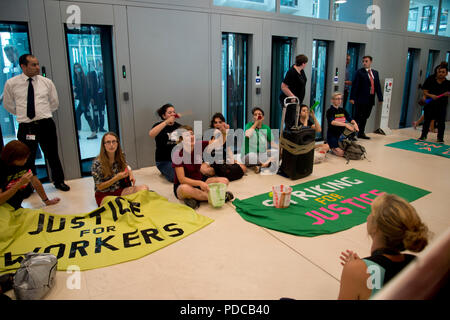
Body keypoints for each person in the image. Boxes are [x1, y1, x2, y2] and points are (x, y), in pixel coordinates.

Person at [338, 193, 429, 300]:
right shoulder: (416, 262)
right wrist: (363, 265)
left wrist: (357, 269)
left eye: (371, 212)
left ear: (376, 227)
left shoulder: (356, 270)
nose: (368, 217)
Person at [2, 54, 70, 191]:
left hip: (45, 124)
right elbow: (8, 104)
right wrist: (24, 115)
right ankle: (28, 187)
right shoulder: (11, 83)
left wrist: (41, 114)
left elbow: (54, 103)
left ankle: (59, 181)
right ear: (23, 66)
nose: (37, 67)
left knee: (52, 155)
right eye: (33, 65)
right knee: (27, 158)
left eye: (37, 64)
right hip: (26, 126)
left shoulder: (46, 82)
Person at [172, 125, 233, 210]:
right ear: (181, 140)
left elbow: (219, 142)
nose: (191, 137)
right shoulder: (177, 154)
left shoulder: (198, 145)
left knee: (224, 181)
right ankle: (217, 197)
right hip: (185, 185)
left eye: (192, 134)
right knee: (184, 189)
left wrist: (224, 132)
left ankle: (196, 198)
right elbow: (182, 179)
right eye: (187, 135)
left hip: (200, 179)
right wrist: (200, 183)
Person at [91, 132, 149, 207]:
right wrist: (116, 178)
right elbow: (99, 186)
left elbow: (126, 166)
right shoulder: (97, 164)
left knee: (144, 188)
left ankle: (126, 203)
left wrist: (131, 174)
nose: (111, 145)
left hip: (119, 190)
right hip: (104, 194)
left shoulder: (121, 155)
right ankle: (127, 203)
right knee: (117, 204)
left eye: (114, 141)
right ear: (104, 145)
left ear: (117, 143)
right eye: (108, 142)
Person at [0, 140, 60, 209]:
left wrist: (47, 201)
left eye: (26, 158)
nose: (25, 160)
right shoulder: (2, 168)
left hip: (15, 205)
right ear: (13, 158)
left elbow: (35, 181)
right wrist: (19, 184)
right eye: (23, 159)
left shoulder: (26, 162)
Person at [204, 113, 246, 180]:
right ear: (213, 124)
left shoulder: (225, 134)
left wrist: (232, 162)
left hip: (223, 159)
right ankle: (222, 172)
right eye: (215, 122)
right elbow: (209, 150)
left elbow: (229, 151)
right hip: (212, 160)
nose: (218, 124)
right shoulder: (210, 134)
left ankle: (223, 172)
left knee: (243, 167)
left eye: (220, 122)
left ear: (223, 123)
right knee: (206, 170)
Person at [349, 55, 383, 139]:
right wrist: (352, 97)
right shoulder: (359, 72)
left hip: (370, 99)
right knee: (357, 116)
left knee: (365, 116)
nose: (364, 63)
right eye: (363, 61)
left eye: (366, 61)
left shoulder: (375, 73)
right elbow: (355, 85)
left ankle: (361, 133)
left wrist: (380, 97)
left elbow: (377, 85)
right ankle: (352, 134)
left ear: (370, 62)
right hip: (360, 99)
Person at [149, 103, 182, 182]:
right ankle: (164, 170)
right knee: (175, 177)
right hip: (164, 161)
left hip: (177, 159)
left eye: (174, 112)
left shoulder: (179, 126)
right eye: (169, 113)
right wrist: (166, 122)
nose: (173, 114)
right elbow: (151, 134)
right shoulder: (158, 125)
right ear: (164, 116)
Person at [419, 63, 450, 144]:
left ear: (446, 73)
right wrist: (431, 95)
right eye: (439, 72)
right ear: (437, 72)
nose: (441, 73)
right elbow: (425, 91)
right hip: (430, 104)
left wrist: (448, 94)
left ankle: (440, 138)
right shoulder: (430, 80)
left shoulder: (448, 83)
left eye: (443, 72)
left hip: (442, 106)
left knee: (441, 123)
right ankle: (423, 136)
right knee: (427, 121)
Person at [242, 107, 278, 174]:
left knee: (276, 152)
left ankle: (260, 166)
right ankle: (265, 164)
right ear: (253, 117)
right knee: (252, 156)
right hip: (249, 155)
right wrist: (256, 123)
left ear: (263, 117)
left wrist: (280, 148)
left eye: (259, 114)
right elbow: (247, 135)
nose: (258, 116)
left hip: (261, 154)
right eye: (255, 114)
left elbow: (272, 143)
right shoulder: (249, 125)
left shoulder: (266, 128)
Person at [326, 92, 359, 157]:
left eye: (340, 99)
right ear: (332, 100)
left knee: (351, 150)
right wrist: (346, 125)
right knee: (341, 153)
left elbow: (350, 119)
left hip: (342, 136)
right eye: (337, 99)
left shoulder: (343, 110)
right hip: (333, 136)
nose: (339, 100)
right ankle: (330, 145)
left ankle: (335, 146)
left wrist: (355, 124)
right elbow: (332, 122)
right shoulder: (330, 111)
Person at [279, 54, 308, 129]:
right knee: (290, 121)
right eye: (306, 63)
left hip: (297, 101)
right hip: (290, 101)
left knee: (295, 120)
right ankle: (286, 138)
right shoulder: (291, 72)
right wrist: (292, 96)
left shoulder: (301, 71)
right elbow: (283, 86)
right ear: (303, 63)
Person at [73, 62, 96, 139]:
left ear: (80, 68)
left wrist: (76, 93)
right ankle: (81, 132)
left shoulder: (83, 77)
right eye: (75, 68)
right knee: (82, 115)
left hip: (85, 100)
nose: (76, 70)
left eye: (78, 68)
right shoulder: (77, 78)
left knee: (85, 116)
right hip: (83, 100)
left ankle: (92, 132)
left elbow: (85, 91)